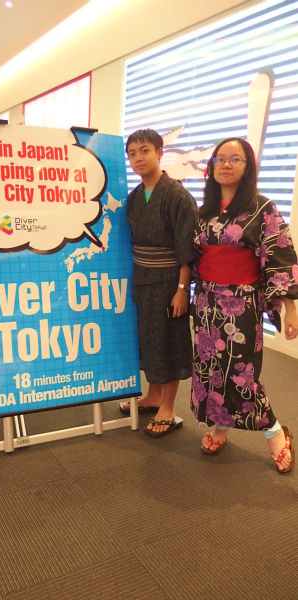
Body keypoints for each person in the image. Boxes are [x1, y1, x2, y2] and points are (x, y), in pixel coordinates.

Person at [192, 137, 298, 472]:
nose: (226, 164)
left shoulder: (263, 209)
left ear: (248, 166)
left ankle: (275, 432)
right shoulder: (204, 211)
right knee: (211, 370)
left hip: (240, 305)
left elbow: (279, 257)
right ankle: (221, 426)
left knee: (241, 373)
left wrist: (290, 308)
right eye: (220, 158)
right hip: (205, 302)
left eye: (235, 159)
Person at [120, 129, 198, 436]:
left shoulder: (177, 195)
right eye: (132, 154)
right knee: (149, 340)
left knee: (168, 342)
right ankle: (153, 395)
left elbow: (186, 249)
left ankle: (168, 405)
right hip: (143, 279)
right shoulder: (134, 197)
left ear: (160, 152)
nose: (138, 158)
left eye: (144, 151)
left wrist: (182, 290)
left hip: (169, 281)